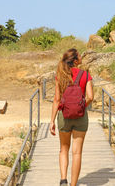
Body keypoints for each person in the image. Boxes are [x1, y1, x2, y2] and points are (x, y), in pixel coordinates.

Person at [50, 48, 94, 186]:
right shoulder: (85, 75)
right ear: (75, 60)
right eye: (80, 56)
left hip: (64, 116)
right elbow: (91, 97)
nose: (81, 57)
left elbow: (57, 100)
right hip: (81, 117)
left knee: (64, 148)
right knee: (77, 153)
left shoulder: (61, 75)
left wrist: (51, 121)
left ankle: (63, 180)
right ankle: (73, 184)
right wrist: (81, 106)